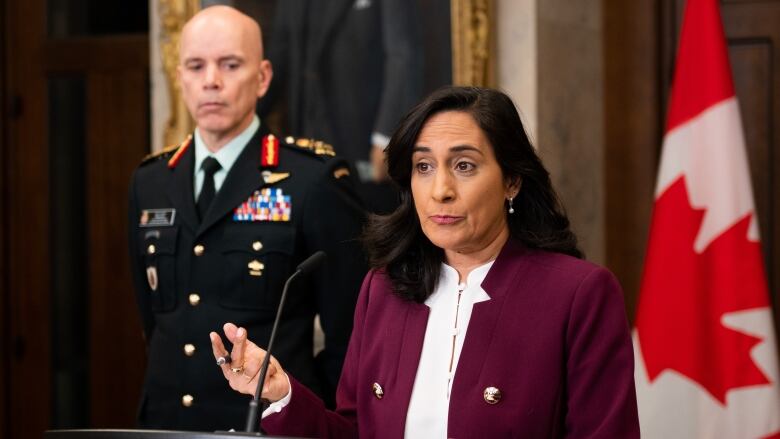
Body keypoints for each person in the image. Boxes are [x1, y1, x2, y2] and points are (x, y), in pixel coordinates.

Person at [210, 86, 640, 437]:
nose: (441, 190)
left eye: (465, 165)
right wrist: (282, 394)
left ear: (512, 180)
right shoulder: (384, 288)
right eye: (423, 167)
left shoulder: (578, 294)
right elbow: (356, 432)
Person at [127, 5, 366, 431]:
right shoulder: (150, 182)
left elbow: (350, 337)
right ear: (179, 76)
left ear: (263, 77)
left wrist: (314, 421)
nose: (211, 81)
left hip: (265, 427)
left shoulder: (312, 180)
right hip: (165, 424)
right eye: (196, 66)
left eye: (230, 64)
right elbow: (155, 322)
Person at [257, 0, 423, 183]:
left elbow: (402, 57)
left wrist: (387, 138)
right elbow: (277, 60)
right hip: (303, 140)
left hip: (363, 145)